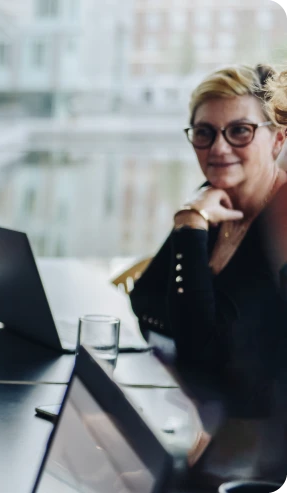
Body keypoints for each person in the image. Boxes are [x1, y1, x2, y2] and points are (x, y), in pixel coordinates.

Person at [130, 65, 287, 404]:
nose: (218, 148)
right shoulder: (210, 199)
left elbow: (202, 350)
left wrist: (190, 225)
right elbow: (143, 299)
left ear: (277, 140)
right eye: (204, 132)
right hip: (198, 400)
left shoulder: (279, 222)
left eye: (240, 131)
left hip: (254, 426)